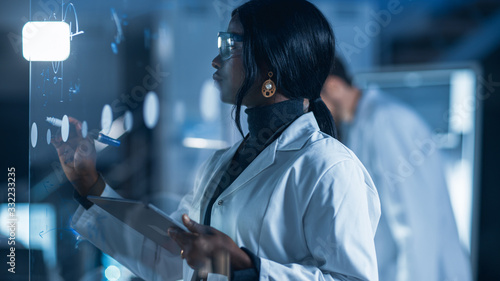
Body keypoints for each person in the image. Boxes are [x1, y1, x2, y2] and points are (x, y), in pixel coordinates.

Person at [53, 1, 381, 280]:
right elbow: (171, 253)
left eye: (229, 44)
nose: (215, 60)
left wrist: (246, 267)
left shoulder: (329, 167)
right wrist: (89, 183)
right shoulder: (223, 163)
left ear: (270, 63)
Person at [320, 57, 472, 281]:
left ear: (333, 86)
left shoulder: (385, 121)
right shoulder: (359, 127)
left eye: (315, 99)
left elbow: (416, 225)